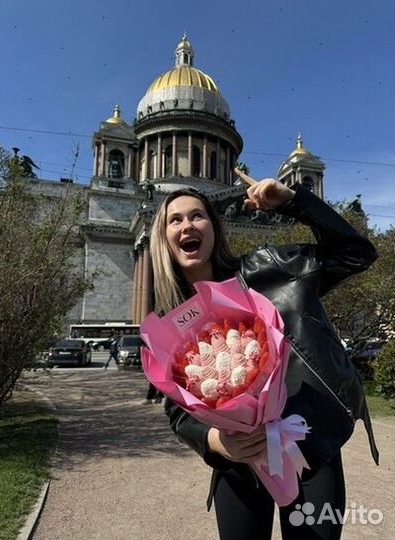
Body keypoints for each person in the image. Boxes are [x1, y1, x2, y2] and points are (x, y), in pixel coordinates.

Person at [148, 172, 379, 540]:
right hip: (239, 462)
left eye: (197, 215)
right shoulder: (168, 323)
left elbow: (357, 253)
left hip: (310, 445)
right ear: (163, 239)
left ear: (215, 227)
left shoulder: (271, 269)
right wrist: (217, 442)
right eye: (175, 219)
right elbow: (177, 409)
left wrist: (294, 202)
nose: (187, 225)